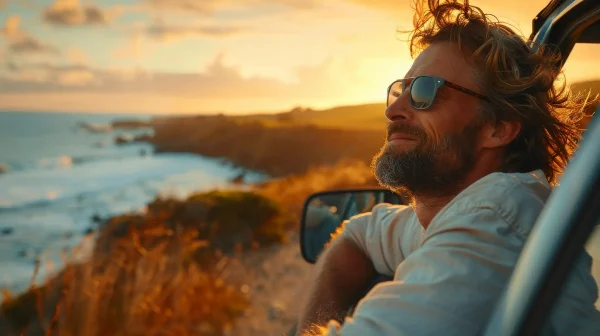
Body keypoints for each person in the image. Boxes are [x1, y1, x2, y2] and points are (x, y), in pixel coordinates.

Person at [296, 0, 600, 335]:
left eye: (426, 90)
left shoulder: (493, 222)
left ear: (497, 128)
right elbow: (357, 235)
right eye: (401, 89)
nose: (394, 109)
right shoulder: (449, 214)